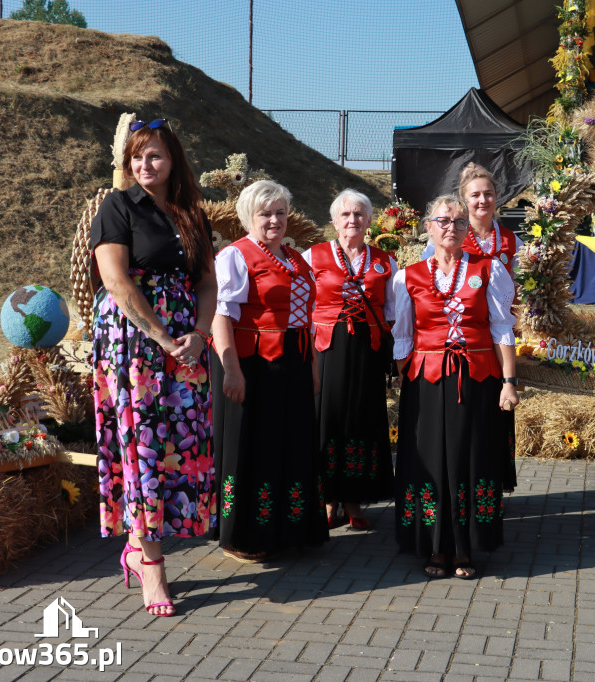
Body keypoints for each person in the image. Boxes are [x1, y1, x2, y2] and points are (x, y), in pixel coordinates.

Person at [91, 118, 217, 617]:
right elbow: (117, 282)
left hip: (185, 346)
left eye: (155, 156)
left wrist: (200, 335)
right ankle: (153, 564)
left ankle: (141, 549)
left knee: (178, 448)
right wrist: (163, 337)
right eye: (138, 157)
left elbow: (207, 283)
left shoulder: (192, 214)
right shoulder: (118, 206)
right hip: (135, 343)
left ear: (173, 162)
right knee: (142, 445)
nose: (146, 165)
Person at [393, 194, 519, 579]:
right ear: (428, 227)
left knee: (470, 456)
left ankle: (464, 549)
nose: (451, 228)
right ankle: (433, 546)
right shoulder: (408, 275)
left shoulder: (490, 269)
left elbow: (501, 327)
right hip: (426, 380)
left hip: (477, 379)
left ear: (468, 229)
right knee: (429, 460)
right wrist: (406, 383)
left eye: (459, 222)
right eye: (443, 221)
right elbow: (402, 336)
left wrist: (509, 381)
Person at [209, 179, 327, 562]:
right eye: (265, 214)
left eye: (280, 212)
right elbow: (220, 315)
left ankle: (289, 529)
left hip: (293, 361)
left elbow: (305, 319)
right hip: (252, 364)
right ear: (248, 217)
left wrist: (310, 365)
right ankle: (244, 533)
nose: (274, 220)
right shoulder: (235, 256)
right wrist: (231, 369)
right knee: (253, 446)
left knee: (290, 442)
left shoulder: (295, 257)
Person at [423, 163, 523, 490]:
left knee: (497, 412)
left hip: (504, 334)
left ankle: (491, 486)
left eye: (489, 194)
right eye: (475, 195)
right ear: (464, 201)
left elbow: (526, 285)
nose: (483, 200)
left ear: (498, 198)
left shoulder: (511, 239)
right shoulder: (451, 235)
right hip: (463, 338)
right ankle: (459, 485)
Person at [302, 189, 395, 530]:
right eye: (345, 215)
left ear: (370, 220)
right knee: (328, 419)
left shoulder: (385, 261)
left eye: (359, 214)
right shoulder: (312, 256)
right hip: (326, 349)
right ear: (334, 221)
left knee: (362, 421)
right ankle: (327, 498)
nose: (352, 220)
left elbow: (392, 311)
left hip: (367, 351)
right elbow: (301, 306)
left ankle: (354, 498)